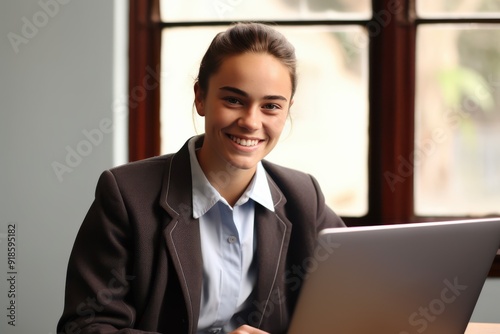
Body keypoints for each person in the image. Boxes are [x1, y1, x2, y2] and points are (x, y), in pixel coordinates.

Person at [57, 22, 345, 334]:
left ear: (287, 110)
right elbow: (85, 327)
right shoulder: (126, 195)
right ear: (200, 97)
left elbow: (359, 294)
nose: (251, 122)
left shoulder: (305, 196)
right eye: (233, 100)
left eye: (271, 106)